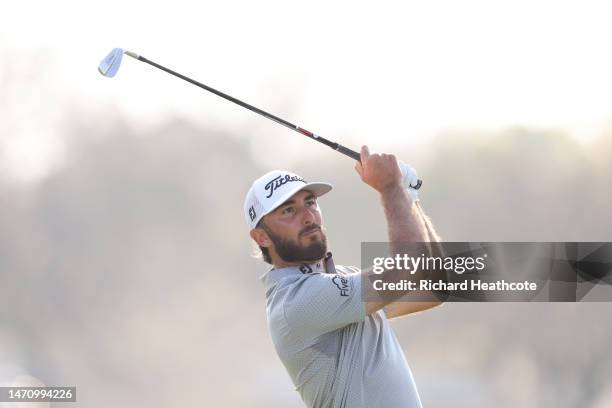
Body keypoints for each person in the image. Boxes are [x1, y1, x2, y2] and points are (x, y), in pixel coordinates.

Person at [243, 145, 443, 408]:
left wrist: (409, 194)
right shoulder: (296, 301)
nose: (307, 216)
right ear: (262, 237)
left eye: (310, 203)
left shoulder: (337, 282)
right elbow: (404, 271)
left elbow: (433, 287)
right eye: (288, 210)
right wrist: (391, 189)